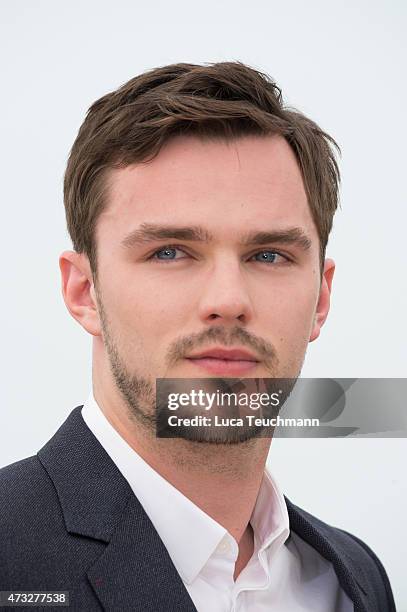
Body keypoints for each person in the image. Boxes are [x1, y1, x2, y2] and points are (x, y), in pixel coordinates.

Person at [0, 61, 396, 611]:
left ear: (320, 300)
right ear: (84, 292)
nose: (228, 300)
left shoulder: (353, 578)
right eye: (169, 252)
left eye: (269, 255)